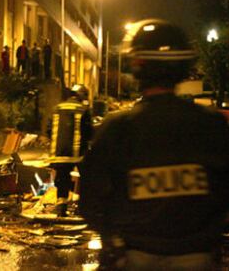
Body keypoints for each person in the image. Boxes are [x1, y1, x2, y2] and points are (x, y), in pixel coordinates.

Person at [79, 19, 229, 270]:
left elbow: (91, 200)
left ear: (136, 66)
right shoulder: (213, 125)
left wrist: (112, 238)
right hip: (198, 257)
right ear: (185, 67)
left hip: (133, 257)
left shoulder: (117, 128)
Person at [49, 84, 93, 210]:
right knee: (87, 178)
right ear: (82, 96)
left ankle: (61, 207)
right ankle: (84, 206)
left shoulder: (57, 108)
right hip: (77, 153)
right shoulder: (83, 109)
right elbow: (88, 132)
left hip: (58, 152)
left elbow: (48, 129)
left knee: (62, 179)